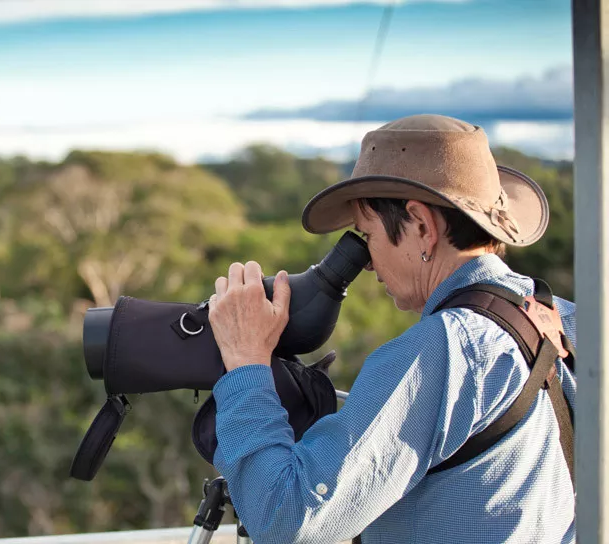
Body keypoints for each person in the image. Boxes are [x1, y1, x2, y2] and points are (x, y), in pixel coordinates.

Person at [206, 114, 576, 543]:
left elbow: (287, 517)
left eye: (367, 234)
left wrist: (246, 362)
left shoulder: (442, 350)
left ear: (421, 225)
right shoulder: (566, 320)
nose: (366, 261)